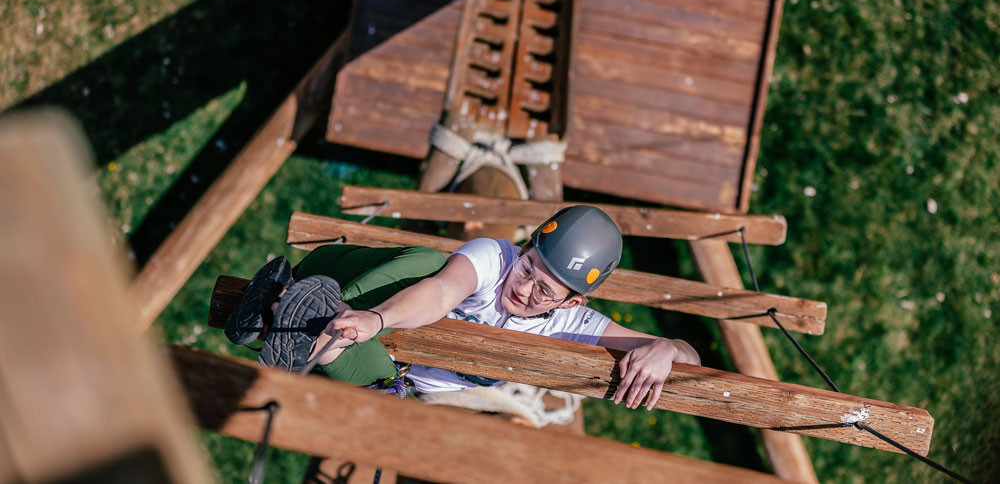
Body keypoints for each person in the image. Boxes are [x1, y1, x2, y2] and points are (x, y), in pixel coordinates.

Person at [225, 205, 700, 411]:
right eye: (530, 267)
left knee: (382, 387)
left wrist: (663, 347)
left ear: (574, 301)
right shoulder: (494, 257)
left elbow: (692, 362)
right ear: (527, 247)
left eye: (546, 292)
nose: (527, 287)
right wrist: (376, 319)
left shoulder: (575, 323)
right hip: (345, 278)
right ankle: (296, 316)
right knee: (430, 262)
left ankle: (279, 314)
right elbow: (440, 291)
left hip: (382, 374)